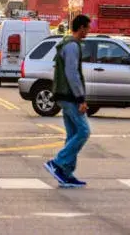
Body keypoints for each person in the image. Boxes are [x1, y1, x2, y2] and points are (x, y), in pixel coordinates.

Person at [45, 14, 91, 188]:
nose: (89, 30)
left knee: (73, 134)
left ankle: (66, 173)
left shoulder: (67, 43)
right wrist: (80, 98)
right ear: (81, 28)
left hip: (63, 94)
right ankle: (58, 163)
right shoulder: (72, 46)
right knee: (84, 131)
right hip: (69, 95)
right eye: (88, 27)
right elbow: (72, 74)